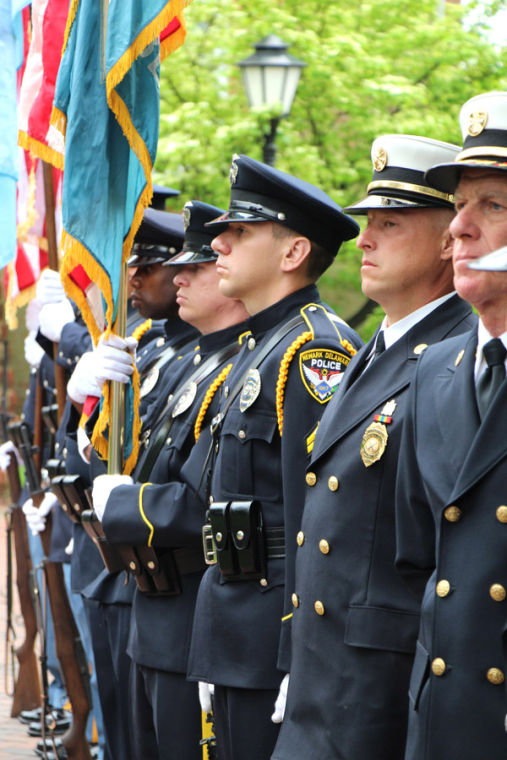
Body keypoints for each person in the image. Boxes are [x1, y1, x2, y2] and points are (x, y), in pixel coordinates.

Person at [271, 134, 477, 760]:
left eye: (390, 224)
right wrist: (294, 664)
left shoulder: (458, 361)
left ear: (448, 241)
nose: (365, 240)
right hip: (323, 679)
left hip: (379, 696)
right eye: (368, 223)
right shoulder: (375, 349)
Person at [185, 154, 363, 760]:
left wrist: (299, 659)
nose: (219, 243)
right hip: (234, 630)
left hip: (271, 642)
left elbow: (322, 520)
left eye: (240, 231)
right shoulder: (258, 348)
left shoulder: (315, 350)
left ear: (292, 254)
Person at [91, 199, 252, 759]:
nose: (178, 277)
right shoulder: (196, 361)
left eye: (197, 266)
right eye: (175, 265)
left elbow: (217, 501)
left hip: (193, 606)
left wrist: (125, 504)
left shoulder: (248, 363)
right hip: (152, 597)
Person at [395, 90, 507, 760]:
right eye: (457, 205)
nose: (458, 229)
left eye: (491, 206)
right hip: (441, 722)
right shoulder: (435, 368)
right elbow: (416, 563)